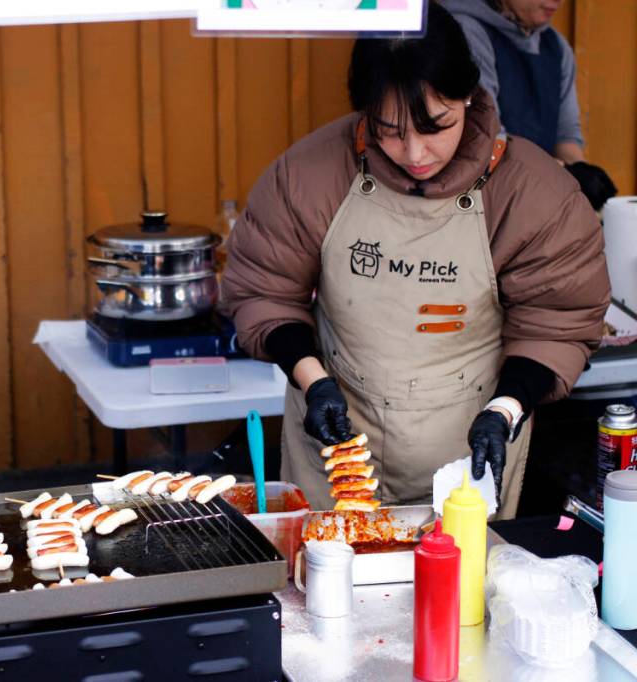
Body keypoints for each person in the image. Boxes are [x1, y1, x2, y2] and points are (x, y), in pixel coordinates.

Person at [221, 1, 609, 517]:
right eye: (388, 129)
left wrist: (507, 407)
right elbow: (263, 293)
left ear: (469, 96)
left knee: (460, 591)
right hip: (335, 443)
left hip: (473, 447)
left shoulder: (532, 193)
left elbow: (558, 322)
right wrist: (313, 381)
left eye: (436, 126)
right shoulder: (309, 175)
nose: (415, 153)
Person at [445, 0, 617, 210]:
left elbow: (566, 135)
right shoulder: (466, 31)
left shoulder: (556, 47)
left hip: (538, 193)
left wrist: (583, 174)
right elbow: (487, 138)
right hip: (481, 199)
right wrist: (564, 173)